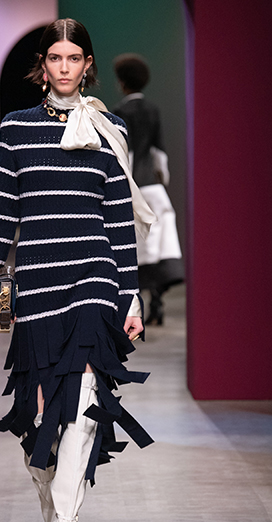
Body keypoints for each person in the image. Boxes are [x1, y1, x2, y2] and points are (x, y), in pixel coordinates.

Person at [0, 19, 155, 522]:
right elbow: (0, 211)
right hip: (37, 284)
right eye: (56, 57)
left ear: (87, 64)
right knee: (38, 420)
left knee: (84, 405)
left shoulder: (109, 129)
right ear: (43, 65)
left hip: (93, 280)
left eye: (74, 57)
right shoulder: (18, 128)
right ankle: (54, 513)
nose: (65, 67)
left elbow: (118, 221)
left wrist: (130, 297)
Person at [113, 53, 184, 325]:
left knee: (136, 249)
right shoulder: (152, 110)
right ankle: (157, 304)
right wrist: (162, 179)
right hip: (154, 189)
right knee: (158, 247)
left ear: (122, 82)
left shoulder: (120, 112)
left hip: (134, 188)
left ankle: (137, 310)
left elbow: (126, 153)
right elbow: (159, 153)